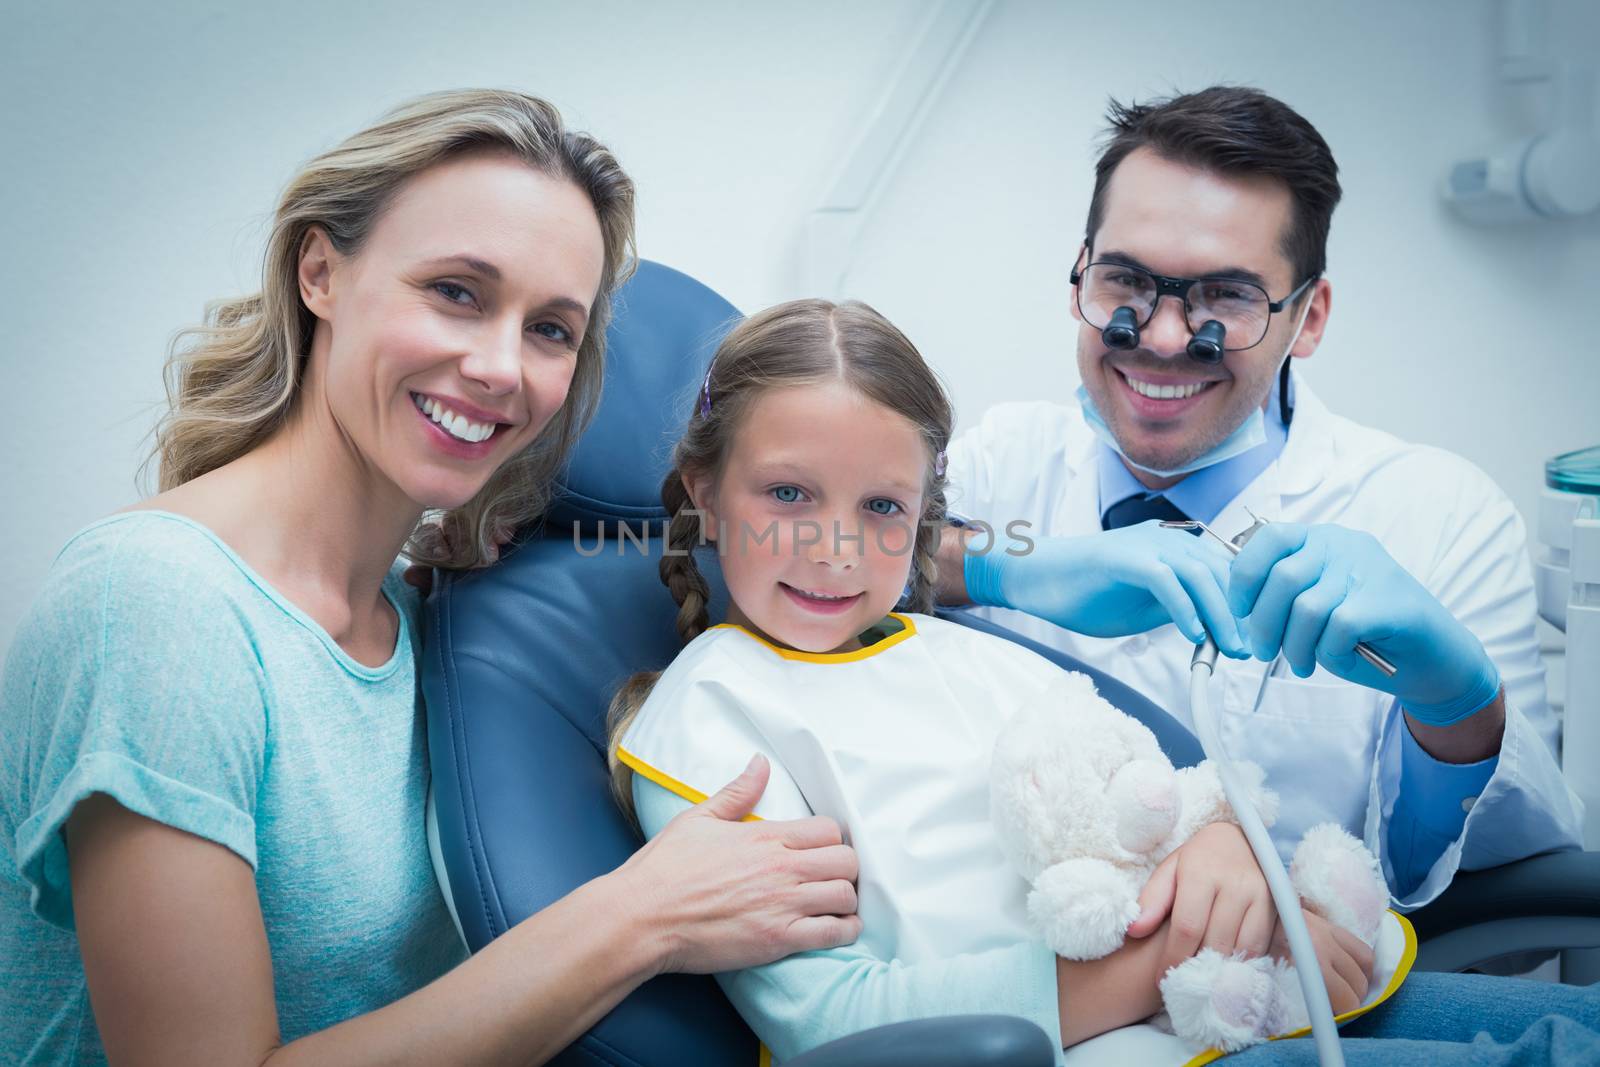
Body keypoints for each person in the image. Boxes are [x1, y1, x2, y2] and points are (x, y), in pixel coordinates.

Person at [0, 90, 862, 1066]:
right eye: (456, 291)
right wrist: (640, 914)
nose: (501, 366)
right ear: (320, 271)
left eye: (550, 329)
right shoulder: (154, 609)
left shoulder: (430, 618)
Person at [602, 298, 1600, 1067]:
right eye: (787, 492)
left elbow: (1142, 790)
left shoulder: (960, 650)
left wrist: (1218, 842)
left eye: (883, 505)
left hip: (1233, 992)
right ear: (703, 487)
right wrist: (1158, 962)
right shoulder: (713, 718)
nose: (835, 545)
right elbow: (831, 1017)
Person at [935, 88, 1584, 952]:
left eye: (1223, 299)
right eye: (1126, 280)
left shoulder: (1440, 513)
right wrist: (998, 564)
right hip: (1037, 977)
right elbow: (758, 545)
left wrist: (1454, 703)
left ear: (1308, 317)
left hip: (1300, 992)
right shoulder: (1002, 462)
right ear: (1080, 276)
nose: (1163, 337)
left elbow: (1508, 881)